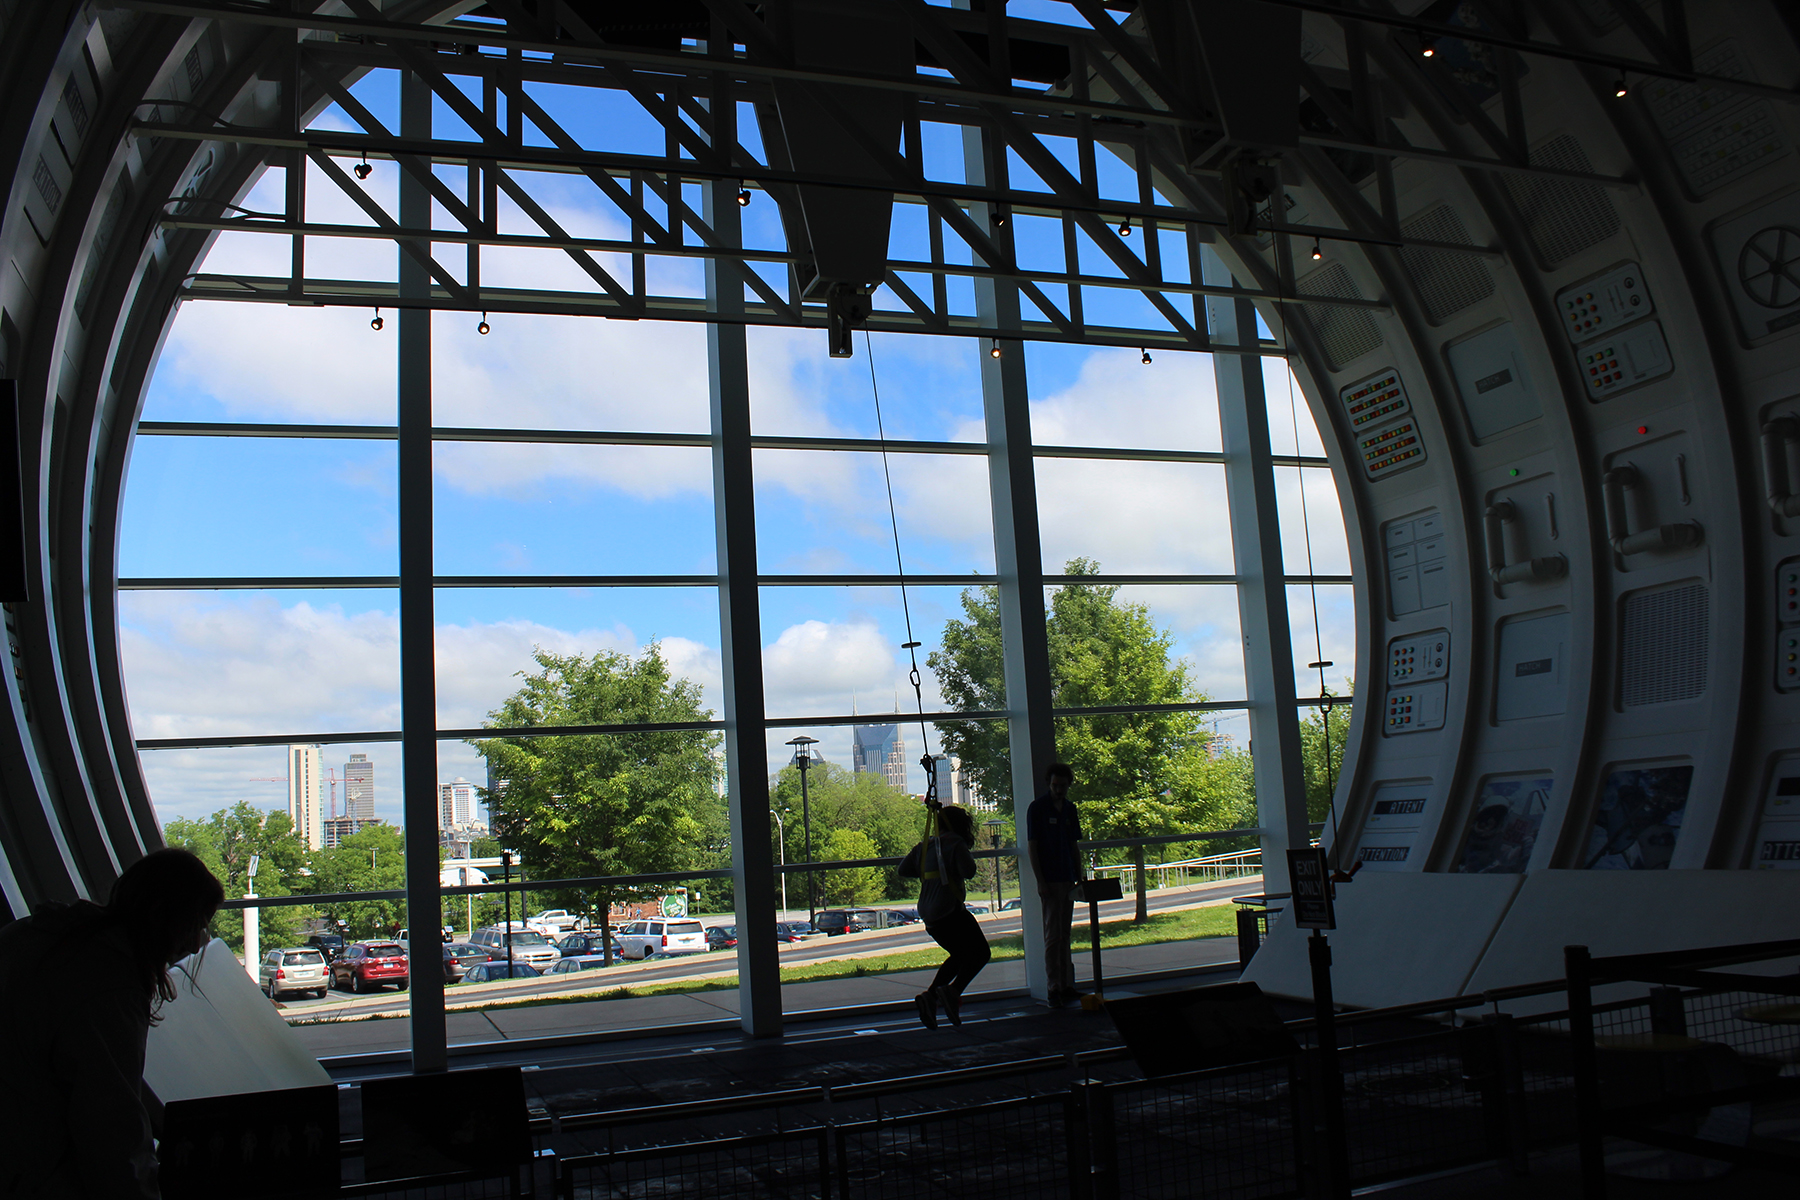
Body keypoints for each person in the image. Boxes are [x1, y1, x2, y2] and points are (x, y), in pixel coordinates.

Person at [0, 847, 224, 1198]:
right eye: (194, 924)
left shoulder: (48, 938)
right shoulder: (107, 986)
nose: (195, 945)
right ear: (163, 915)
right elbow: (110, 1130)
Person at [898, 805, 990, 1029]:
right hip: (949, 910)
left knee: (960, 955)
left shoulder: (924, 847)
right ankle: (952, 992)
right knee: (980, 954)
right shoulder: (955, 844)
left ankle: (931, 997)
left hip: (930, 916)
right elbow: (969, 871)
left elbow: (903, 870)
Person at [1026, 762, 1085, 1008]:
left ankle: (1066, 984)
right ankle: (1054, 987)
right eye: (1054, 785)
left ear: (1068, 785)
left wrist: (1079, 876)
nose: (1058, 790)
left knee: (1065, 933)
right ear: (1048, 784)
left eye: (1062, 786)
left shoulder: (1070, 810)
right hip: (1050, 879)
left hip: (1067, 877)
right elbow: (1033, 847)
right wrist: (1040, 881)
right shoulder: (1038, 809)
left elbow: (1074, 846)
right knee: (1053, 935)